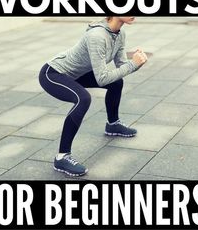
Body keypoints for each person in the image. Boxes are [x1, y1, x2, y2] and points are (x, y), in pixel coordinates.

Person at [39, 17, 148, 177]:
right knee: (83, 99)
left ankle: (113, 124)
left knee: (116, 83)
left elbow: (122, 66)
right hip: (53, 73)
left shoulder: (120, 33)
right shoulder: (97, 36)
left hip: (76, 74)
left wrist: (136, 64)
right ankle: (62, 157)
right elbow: (102, 78)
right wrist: (133, 65)